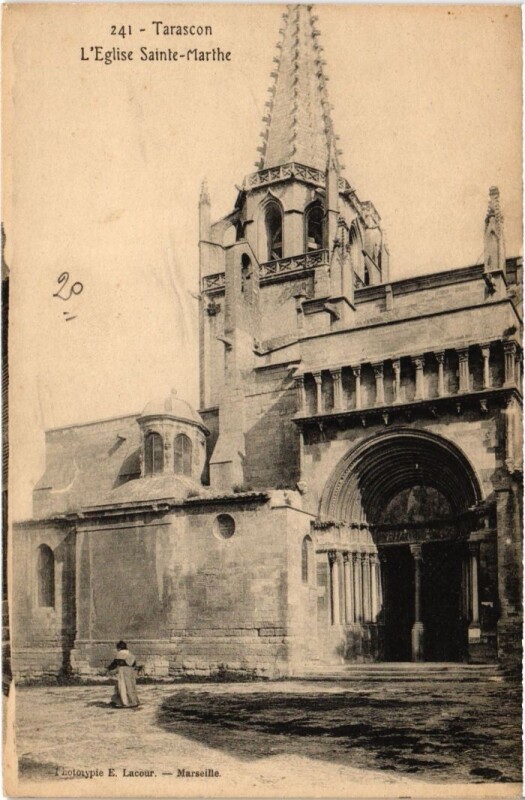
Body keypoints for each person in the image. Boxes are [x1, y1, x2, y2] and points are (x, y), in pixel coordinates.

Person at [107, 640, 140, 708]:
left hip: (123, 671)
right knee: (130, 686)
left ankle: (125, 702)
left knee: (122, 686)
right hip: (130, 671)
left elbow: (115, 663)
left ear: (119, 648)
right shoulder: (130, 654)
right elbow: (134, 664)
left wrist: (108, 668)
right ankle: (133, 701)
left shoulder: (120, 653)